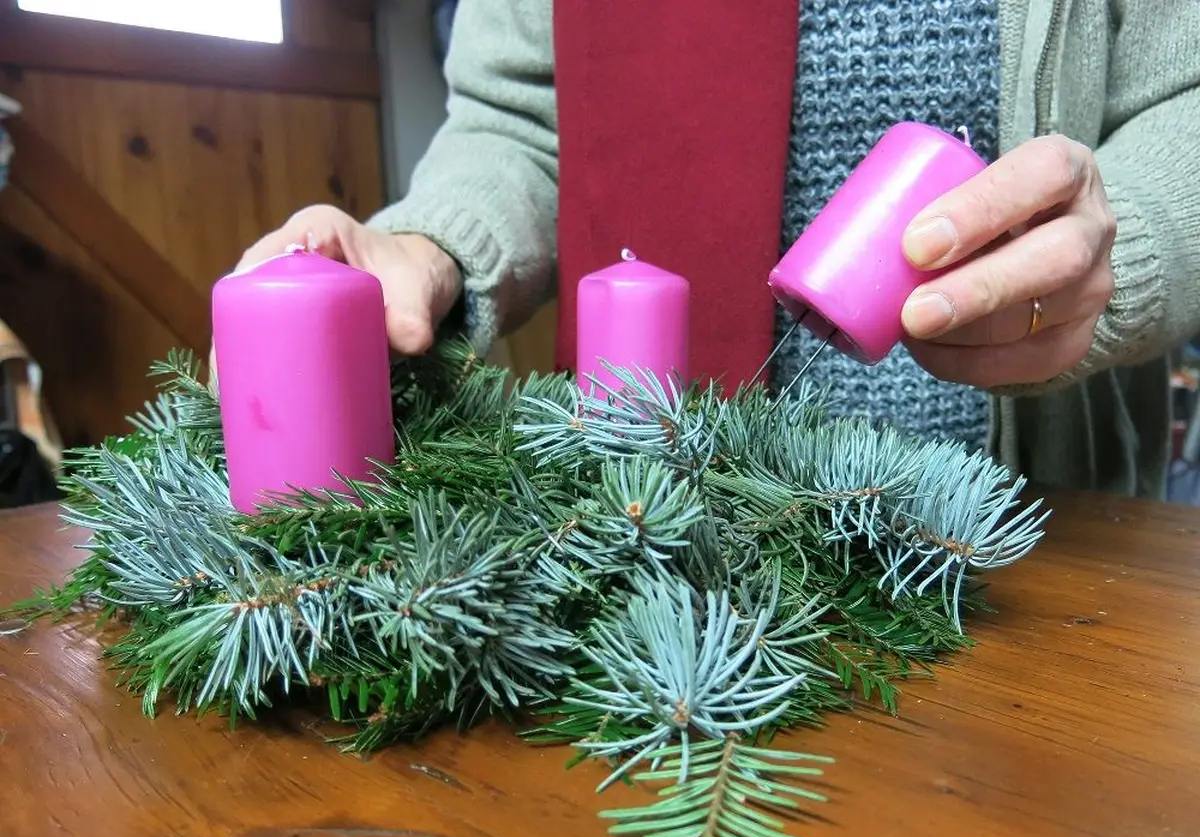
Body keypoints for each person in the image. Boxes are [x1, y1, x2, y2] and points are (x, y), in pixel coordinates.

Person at [226, 1, 1200, 500]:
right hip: (669, 528)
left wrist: (1124, 245)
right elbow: (520, 119)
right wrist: (431, 243)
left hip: (1032, 523)